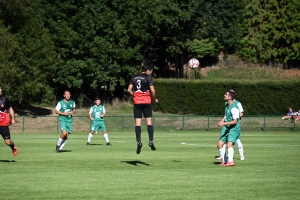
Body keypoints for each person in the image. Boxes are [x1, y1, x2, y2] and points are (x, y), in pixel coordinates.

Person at [127, 62, 158, 154]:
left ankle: (139, 141)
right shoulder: (148, 78)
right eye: (151, 71)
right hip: (146, 102)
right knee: (149, 122)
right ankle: (151, 140)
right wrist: (154, 98)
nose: (151, 72)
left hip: (137, 102)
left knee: (138, 123)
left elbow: (129, 90)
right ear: (148, 70)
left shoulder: (134, 77)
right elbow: (152, 90)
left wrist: (135, 96)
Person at [216, 88, 245, 160]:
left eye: (226, 94)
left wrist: (234, 118)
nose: (224, 95)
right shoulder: (227, 104)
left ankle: (241, 156)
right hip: (227, 125)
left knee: (235, 141)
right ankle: (224, 157)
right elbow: (226, 115)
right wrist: (222, 121)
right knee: (221, 141)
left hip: (234, 126)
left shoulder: (237, 104)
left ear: (232, 96)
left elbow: (241, 113)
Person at [0, 87, 18, 156]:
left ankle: (13, 146)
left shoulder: (4, 99)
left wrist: (13, 119)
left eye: (1, 89)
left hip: (3, 124)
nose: (1, 90)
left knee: (8, 142)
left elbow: (10, 108)